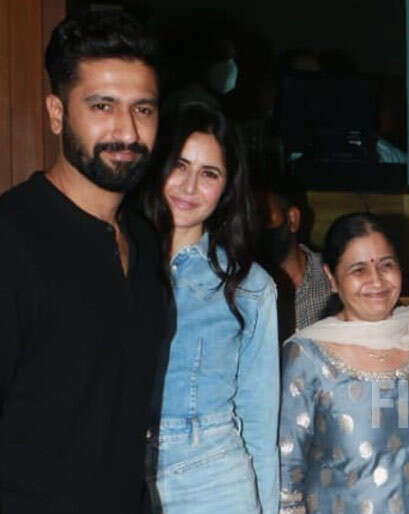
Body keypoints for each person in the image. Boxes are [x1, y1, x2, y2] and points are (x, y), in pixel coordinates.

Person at [0, 11, 173, 512]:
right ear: (56, 113)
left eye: (144, 109)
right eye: (102, 106)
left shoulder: (142, 241)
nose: (127, 131)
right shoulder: (13, 239)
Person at [142, 103, 279, 513]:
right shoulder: (114, 262)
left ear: (225, 191)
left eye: (209, 174)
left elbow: (258, 419)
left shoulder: (251, 287)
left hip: (214, 479)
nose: (188, 187)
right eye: (179, 166)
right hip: (121, 468)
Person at [278, 213, 409, 514]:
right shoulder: (307, 355)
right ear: (332, 277)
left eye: (387, 264)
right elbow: (286, 471)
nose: (377, 281)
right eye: (358, 269)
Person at [259, 188, 331, 339]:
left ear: (292, 219)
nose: (255, 227)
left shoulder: (335, 279)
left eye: (264, 217)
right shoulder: (236, 291)